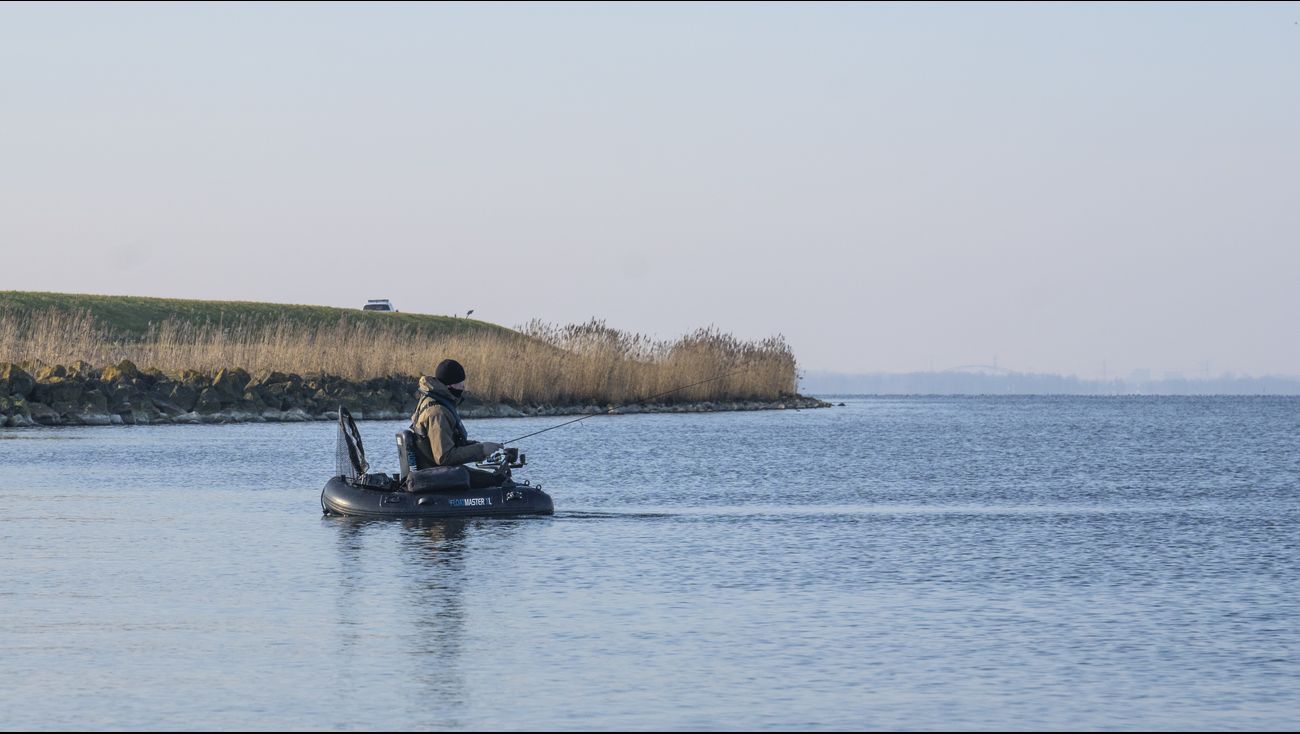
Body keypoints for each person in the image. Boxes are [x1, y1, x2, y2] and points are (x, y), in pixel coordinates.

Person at [410, 359, 507, 488]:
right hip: (437, 476)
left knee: (493, 478)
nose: (463, 386)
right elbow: (444, 457)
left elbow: (450, 443)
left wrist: (481, 446)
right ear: (449, 385)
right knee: (497, 481)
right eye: (459, 383)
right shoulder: (438, 412)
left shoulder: (434, 401)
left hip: (439, 472)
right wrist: (481, 450)